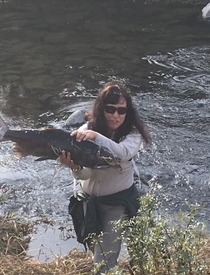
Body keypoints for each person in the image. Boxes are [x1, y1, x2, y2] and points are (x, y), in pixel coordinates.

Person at [59, 81, 151, 274]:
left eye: (121, 110)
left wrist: (95, 137)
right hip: (89, 203)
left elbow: (122, 153)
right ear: (102, 109)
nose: (116, 115)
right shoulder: (87, 129)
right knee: (96, 253)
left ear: (128, 111)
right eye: (110, 109)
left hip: (117, 204)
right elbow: (87, 172)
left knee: (104, 261)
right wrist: (74, 166)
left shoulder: (132, 134)